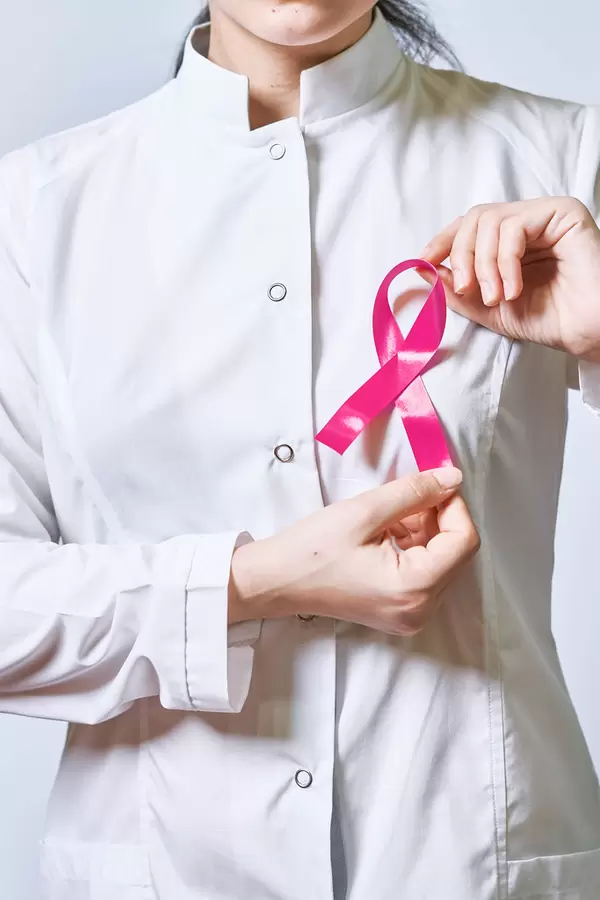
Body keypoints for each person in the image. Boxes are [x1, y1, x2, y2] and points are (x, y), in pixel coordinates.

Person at [0, 1, 599, 898]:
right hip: (164, 869)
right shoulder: (33, 212)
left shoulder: (564, 158)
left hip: (477, 866)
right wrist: (247, 584)